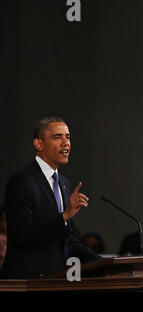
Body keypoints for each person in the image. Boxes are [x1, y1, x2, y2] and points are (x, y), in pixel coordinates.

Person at [0, 117, 101, 279]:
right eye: (57, 137)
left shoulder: (64, 183)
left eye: (67, 137)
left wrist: (104, 264)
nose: (65, 142)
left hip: (57, 278)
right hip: (28, 281)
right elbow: (23, 235)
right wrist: (64, 216)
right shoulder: (21, 181)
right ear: (38, 144)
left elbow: (65, 240)